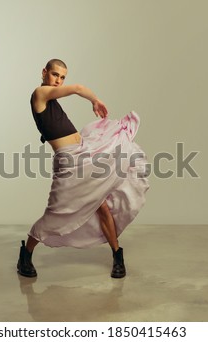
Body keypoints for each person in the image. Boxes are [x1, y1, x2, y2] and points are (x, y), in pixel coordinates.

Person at [17, 59, 149, 279]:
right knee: (55, 213)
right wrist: (95, 100)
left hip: (84, 153)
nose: (58, 81)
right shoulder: (39, 94)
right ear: (44, 73)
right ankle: (26, 254)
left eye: (62, 77)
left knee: (102, 206)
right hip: (69, 162)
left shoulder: (50, 99)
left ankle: (117, 255)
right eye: (55, 75)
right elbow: (77, 89)